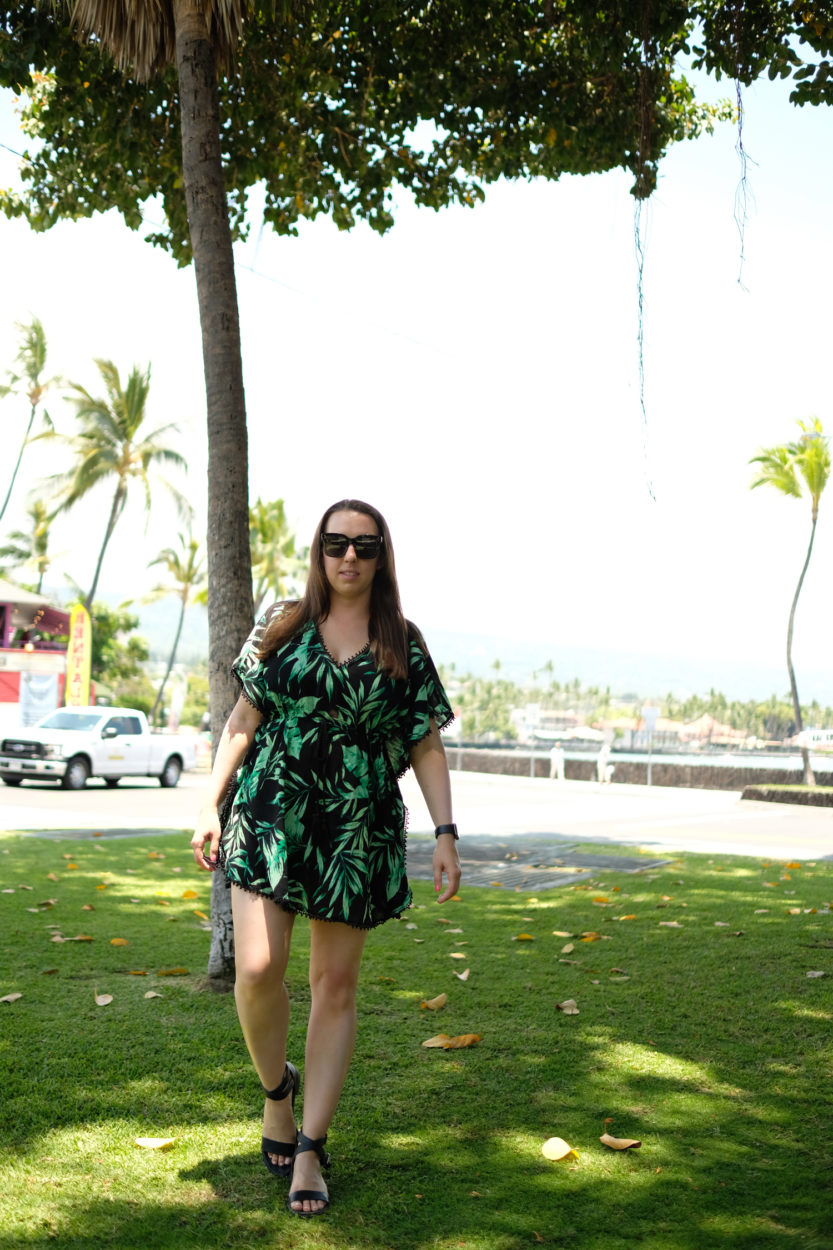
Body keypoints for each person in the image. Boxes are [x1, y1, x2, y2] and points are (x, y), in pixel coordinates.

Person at [191, 499, 460, 1219]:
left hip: (354, 826)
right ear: (319, 551)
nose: (348, 557)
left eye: (364, 546)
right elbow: (243, 720)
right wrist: (206, 803)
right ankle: (277, 1093)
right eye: (336, 543)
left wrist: (444, 832)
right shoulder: (282, 624)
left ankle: (310, 1143)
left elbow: (424, 742)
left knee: (333, 985)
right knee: (257, 967)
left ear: (381, 557)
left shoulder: (401, 640)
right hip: (271, 811)